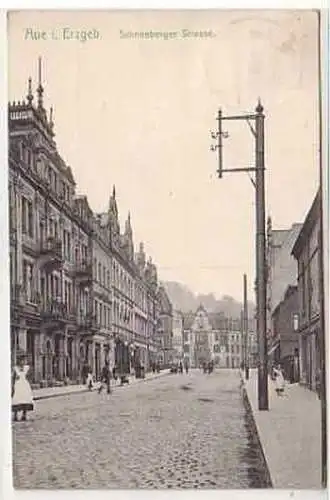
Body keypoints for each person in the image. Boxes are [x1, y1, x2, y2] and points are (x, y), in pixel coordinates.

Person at [12, 355, 34, 422]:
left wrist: (29, 382)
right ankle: (15, 415)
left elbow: (30, 377)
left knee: (25, 399)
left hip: (25, 385)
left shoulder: (27, 368)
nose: (24, 362)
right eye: (22, 360)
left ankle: (24, 415)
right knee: (17, 399)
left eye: (25, 360)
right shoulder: (15, 368)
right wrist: (12, 386)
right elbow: (13, 377)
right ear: (19, 361)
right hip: (18, 385)